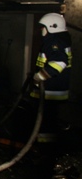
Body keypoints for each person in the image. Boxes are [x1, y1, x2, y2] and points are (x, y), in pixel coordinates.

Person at [30, 13, 72, 142]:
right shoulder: (59, 40)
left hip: (50, 90)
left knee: (45, 121)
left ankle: (45, 147)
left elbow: (59, 62)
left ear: (51, 27)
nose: (41, 30)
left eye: (43, 27)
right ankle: (46, 143)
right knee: (48, 119)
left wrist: (40, 76)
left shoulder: (54, 42)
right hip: (52, 90)